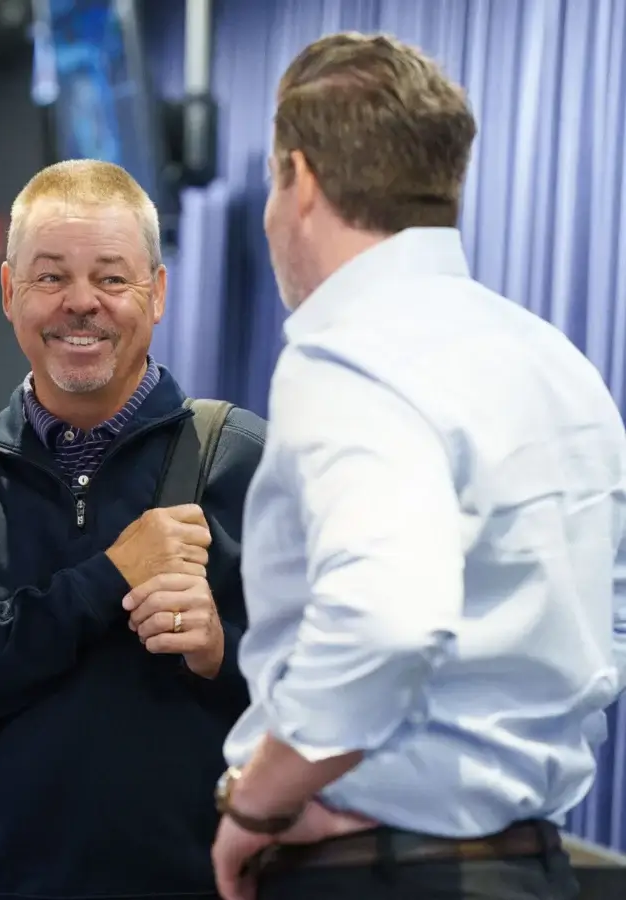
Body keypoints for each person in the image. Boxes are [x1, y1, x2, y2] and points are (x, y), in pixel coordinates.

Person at [211, 32, 626, 900]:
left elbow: (386, 620)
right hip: (532, 866)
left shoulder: (346, 357)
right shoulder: (556, 362)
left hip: (377, 871)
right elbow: (605, 622)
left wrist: (260, 804)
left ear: (301, 179)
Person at [0, 159, 266, 900]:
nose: (81, 303)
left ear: (156, 293)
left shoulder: (244, 462)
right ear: (8, 291)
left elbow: (331, 690)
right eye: (51, 277)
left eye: (112, 279)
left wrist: (225, 652)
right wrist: (107, 578)